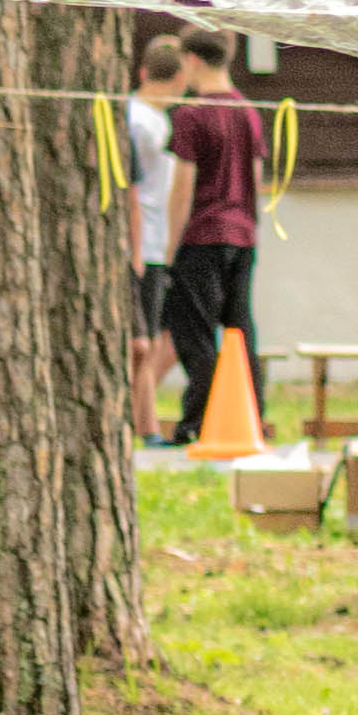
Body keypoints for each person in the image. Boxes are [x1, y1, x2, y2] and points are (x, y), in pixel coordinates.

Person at [152, 33, 266, 445]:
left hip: (201, 234)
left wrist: (170, 246)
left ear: (193, 60)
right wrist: (250, 226)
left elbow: (183, 186)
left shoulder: (191, 115)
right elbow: (256, 177)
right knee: (239, 328)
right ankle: (252, 415)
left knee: (194, 332)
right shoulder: (248, 112)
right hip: (242, 233)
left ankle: (197, 423)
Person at [120, 53, 179, 418]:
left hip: (158, 237)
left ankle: (144, 420)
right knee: (144, 341)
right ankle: (142, 421)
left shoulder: (160, 119)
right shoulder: (136, 119)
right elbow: (134, 194)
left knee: (156, 338)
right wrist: (137, 248)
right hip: (145, 239)